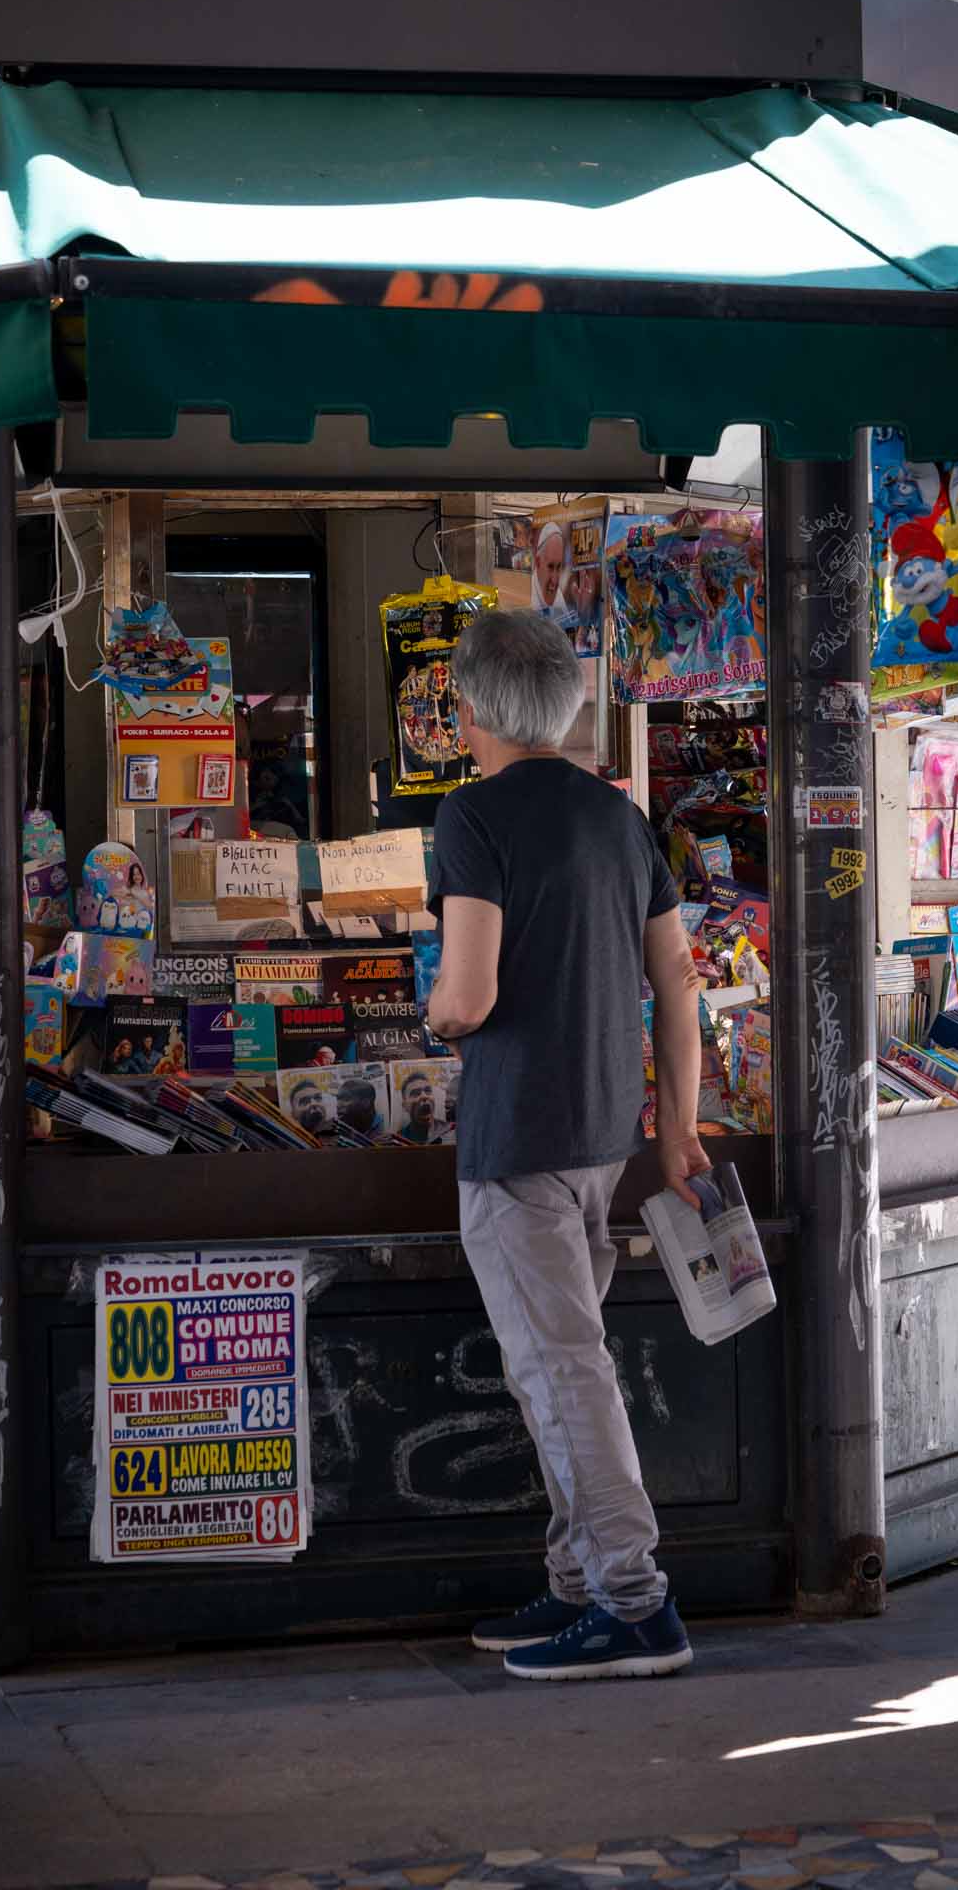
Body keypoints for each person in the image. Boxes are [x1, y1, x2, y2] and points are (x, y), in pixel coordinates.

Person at [426, 608, 707, 1684]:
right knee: (561, 1364)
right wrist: (677, 1130)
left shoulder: (471, 816)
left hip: (516, 1141)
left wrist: (435, 1022)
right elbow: (676, 981)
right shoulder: (617, 815)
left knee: (560, 1373)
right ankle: (580, 1580)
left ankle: (635, 1601)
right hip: (605, 1135)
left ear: (466, 706)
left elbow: (468, 992)